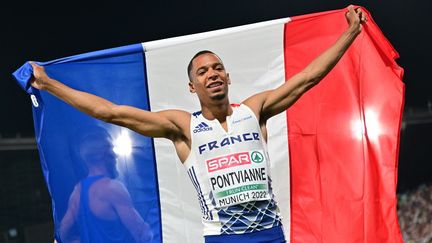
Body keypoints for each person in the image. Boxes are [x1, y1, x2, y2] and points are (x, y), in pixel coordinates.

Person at [31, 6, 366, 243]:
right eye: (202, 72)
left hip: (271, 234)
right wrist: (50, 85)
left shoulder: (255, 110)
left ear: (228, 76)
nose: (212, 74)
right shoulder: (183, 126)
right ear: (192, 87)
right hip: (223, 239)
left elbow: (308, 78)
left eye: (217, 67)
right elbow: (112, 112)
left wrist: (351, 32)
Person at [59, 130, 153, 242]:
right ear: (105, 155)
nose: (116, 156)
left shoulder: (77, 191)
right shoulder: (113, 188)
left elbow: (63, 231)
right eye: (112, 150)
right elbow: (142, 233)